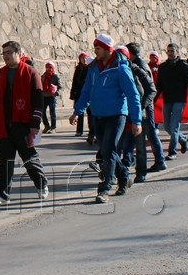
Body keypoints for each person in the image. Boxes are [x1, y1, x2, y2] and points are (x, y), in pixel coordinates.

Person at [70, 34, 141, 204]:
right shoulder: (93, 68)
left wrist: (137, 121)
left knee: (108, 151)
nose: (95, 51)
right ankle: (124, 176)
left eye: (98, 48)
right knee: (108, 150)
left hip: (116, 115)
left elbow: (133, 95)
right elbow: (86, 91)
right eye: (94, 48)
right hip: (98, 115)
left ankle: (105, 189)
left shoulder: (121, 68)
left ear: (108, 50)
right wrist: (77, 111)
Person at [0, 40, 49, 205]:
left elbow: (38, 101)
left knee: (29, 158)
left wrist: (35, 124)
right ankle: (2, 194)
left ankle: (41, 184)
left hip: (24, 124)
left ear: (18, 53)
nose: (6, 56)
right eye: (4, 53)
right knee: (5, 161)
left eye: (9, 52)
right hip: (3, 125)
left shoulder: (31, 73)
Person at [155, 43, 188, 159]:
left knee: (174, 126)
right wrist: (152, 100)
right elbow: (159, 86)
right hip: (168, 100)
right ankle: (183, 138)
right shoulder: (163, 67)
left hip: (179, 100)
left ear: (177, 52)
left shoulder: (184, 66)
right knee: (166, 126)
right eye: (168, 51)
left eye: (172, 51)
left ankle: (172, 152)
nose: (170, 53)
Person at [125, 42, 164, 179]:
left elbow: (150, 90)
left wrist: (141, 106)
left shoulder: (140, 66)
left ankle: (148, 168)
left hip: (144, 109)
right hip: (138, 109)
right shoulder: (133, 65)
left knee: (145, 139)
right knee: (138, 140)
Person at [69, 53, 91, 142]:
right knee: (79, 112)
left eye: (85, 58)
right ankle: (79, 130)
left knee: (90, 113)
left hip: (87, 92)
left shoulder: (89, 68)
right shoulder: (78, 69)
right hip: (79, 92)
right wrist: (72, 93)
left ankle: (91, 130)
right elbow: (74, 81)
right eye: (82, 58)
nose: (84, 60)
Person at [40, 62, 61, 133]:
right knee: (42, 112)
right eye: (47, 67)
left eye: (50, 67)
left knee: (52, 112)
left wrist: (56, 92)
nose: (49, 69)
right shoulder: (43, 76)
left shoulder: (55, 76)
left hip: (52, 97)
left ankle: (53, 127)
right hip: (44, 96)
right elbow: (40, 85)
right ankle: (46, 125)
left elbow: (60, 87)